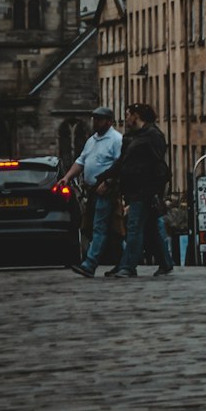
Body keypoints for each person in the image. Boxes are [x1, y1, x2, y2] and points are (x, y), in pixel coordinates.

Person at [110, 103, 174, 280]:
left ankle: (128, 266)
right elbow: (122, 163)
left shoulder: (153, 135)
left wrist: (156, 192)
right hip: (132, 190)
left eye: (128, 114)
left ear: (136, 116)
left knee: (134, 227)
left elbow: (159, 165)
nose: (126, 119)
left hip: (145, 190)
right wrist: (104, 178)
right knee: (151, 228)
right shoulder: (131, 137)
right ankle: (166, 263)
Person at [64, 106, 124, 278]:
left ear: (109, 121)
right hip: (92, 191)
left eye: (99, 119)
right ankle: (123, 263)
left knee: (99, 227)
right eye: (94, 119)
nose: (95, 122)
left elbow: (120, 165)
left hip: (106, 190)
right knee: (109, 230)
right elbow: (81, 161)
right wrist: (67, 177)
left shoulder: (116, 140)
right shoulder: (92, 140)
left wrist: (109, 182)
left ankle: (89, 264)